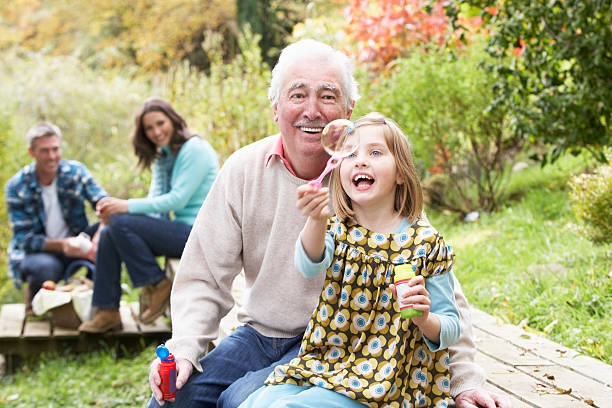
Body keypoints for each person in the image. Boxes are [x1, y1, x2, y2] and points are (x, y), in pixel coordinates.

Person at [147, 39, 511, 408]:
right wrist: (186, 346)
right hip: (259, 335)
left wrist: (464, 380)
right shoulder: (243, 170)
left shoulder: (369, 181)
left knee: (242, 402)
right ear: (275, 107)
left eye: (327, 95)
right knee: (172, 400)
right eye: (297, 95)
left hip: (338, 342)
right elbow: (203, 275)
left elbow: (438, 283)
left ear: (348, 110)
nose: (312, 110)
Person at [240, 112, 461, 407]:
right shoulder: (338, 229)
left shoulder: (425, 245)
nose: (360, 160)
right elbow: (308, 264)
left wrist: (424, 320)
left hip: (388, 382)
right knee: (255, 403)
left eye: (376, 152)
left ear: (400, 174)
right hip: (327, 364)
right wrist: (316, 220)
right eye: (351, 153)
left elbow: (451, 326)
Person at [78, 97, 219, 333]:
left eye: (160, 123)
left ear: (173, 120)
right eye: (149, 128)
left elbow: (177, 200)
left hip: (202, 234)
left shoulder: (195, 149)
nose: (156, 132)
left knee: (120, 221)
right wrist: (119, 220)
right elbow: (156, 203)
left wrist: (124, 207)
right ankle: (107, 311)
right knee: (112, 230)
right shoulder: (164, 156)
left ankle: (155, 282)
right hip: (181, 230)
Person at [5, 122, 106, 314]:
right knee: (46, 267)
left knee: (110, 234)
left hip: (77, 242)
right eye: (44, 151)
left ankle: (99, 305)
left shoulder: (76, 172)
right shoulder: (16, 186)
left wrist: (101, 233)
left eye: (55, 149)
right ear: (31, 152)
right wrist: (64, 244)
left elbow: (105, 204)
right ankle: (34, 305)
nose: (52, 156)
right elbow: (24, 239)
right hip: (38, 253)